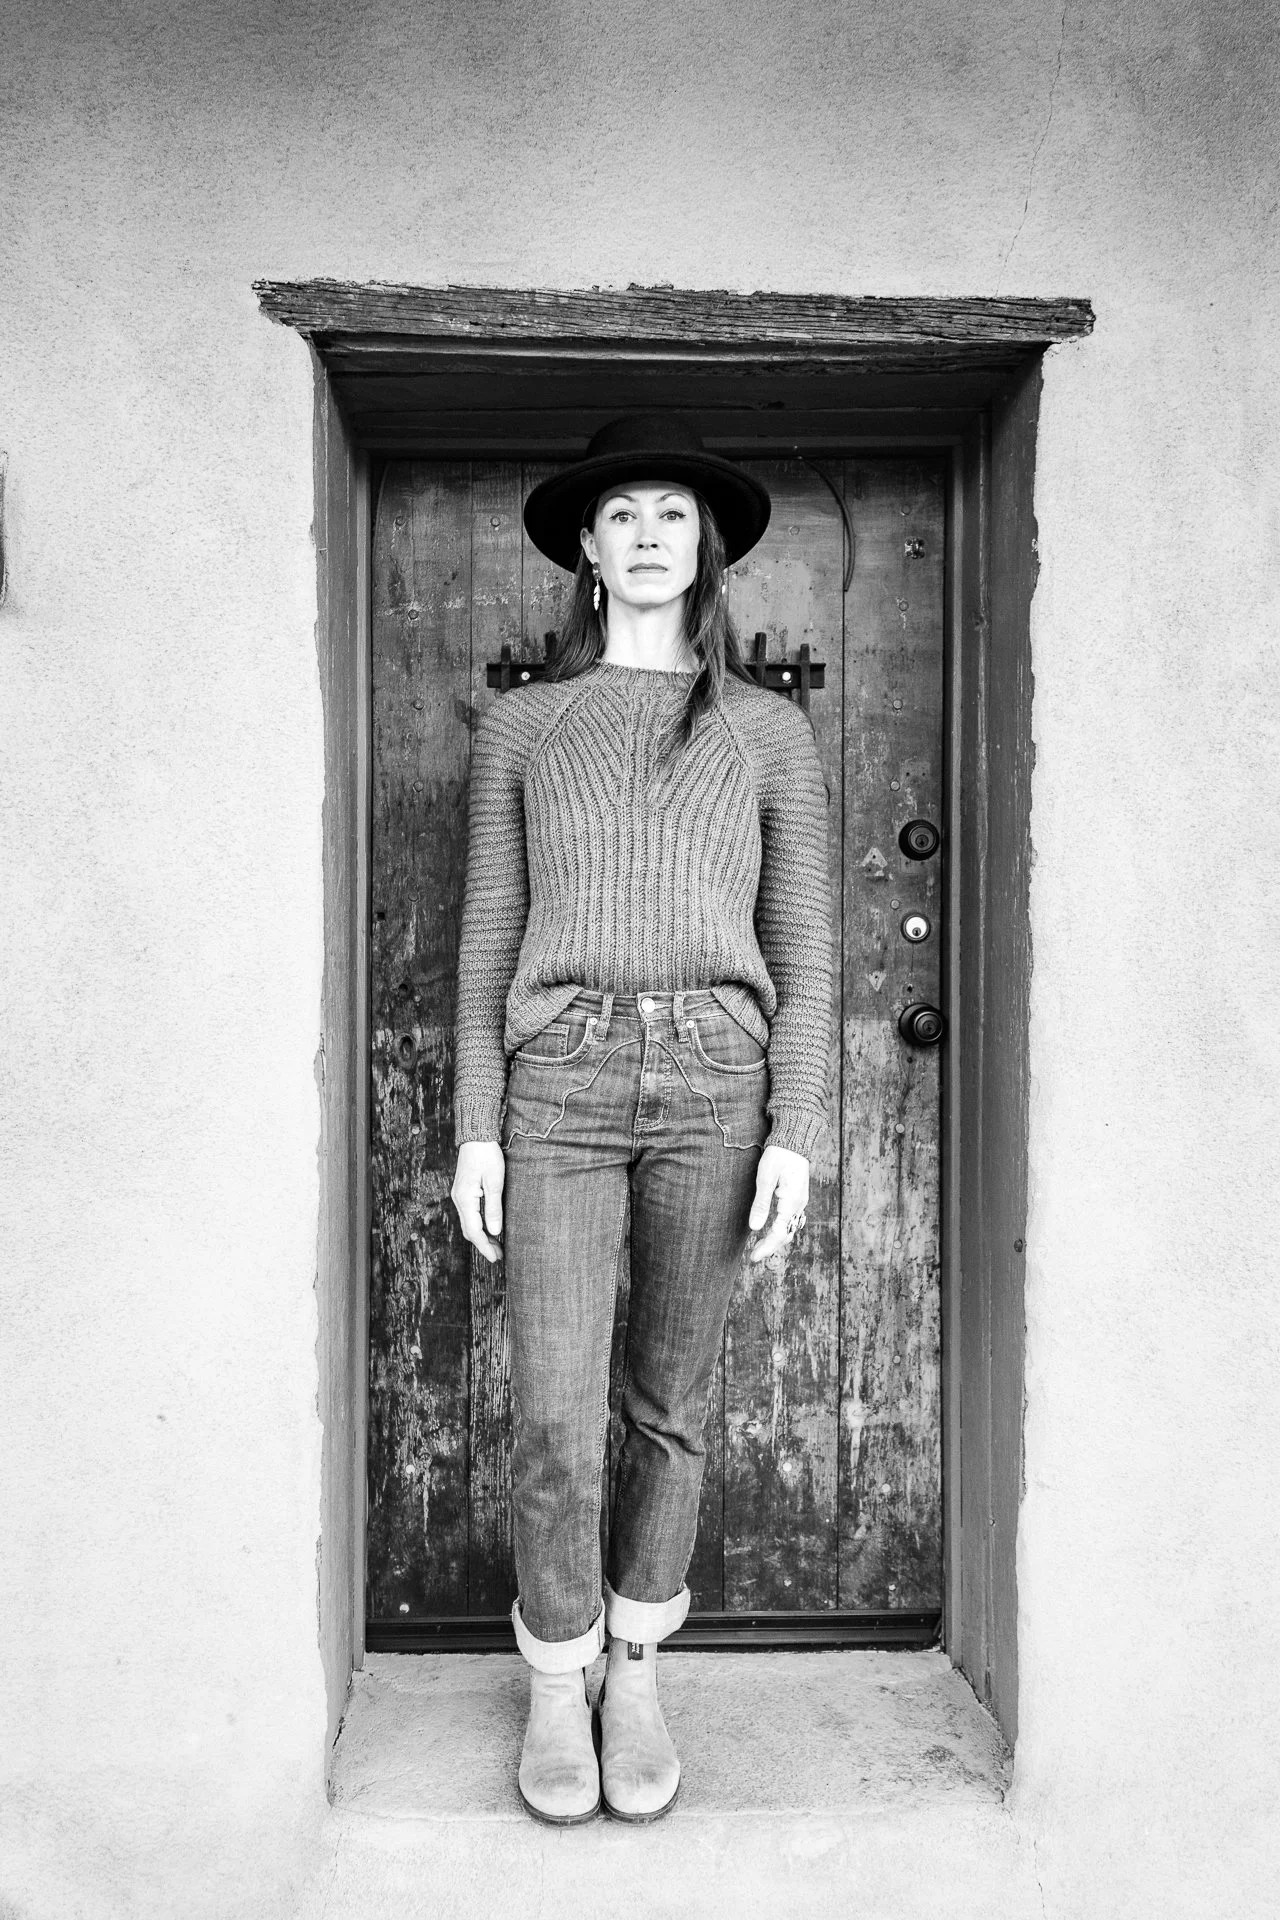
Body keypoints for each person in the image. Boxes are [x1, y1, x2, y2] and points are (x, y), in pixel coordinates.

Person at [450, 412, 832, 1824]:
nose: (651, 532)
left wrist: (798, 1119)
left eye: (675, 512)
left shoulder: (769, 732)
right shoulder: (525, 726)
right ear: (590, 555)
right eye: (624, 515)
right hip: (560, 1076)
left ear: (706, 548)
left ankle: (638, 1663)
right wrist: (478, 1122)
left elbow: (807, 940)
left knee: (670, 1405)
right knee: (554, 1410)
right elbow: (490, 927)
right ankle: (557, 1681)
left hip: (716, 1086)